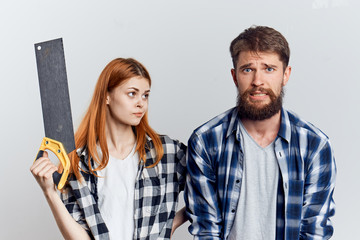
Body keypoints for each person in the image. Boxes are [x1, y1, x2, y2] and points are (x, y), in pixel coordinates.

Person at [184, 26, 336, 240]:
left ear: (286, 75)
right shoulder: (206, 141)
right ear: (234, 76)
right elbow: (206, 229)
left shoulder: (314, 145)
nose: (258, 81)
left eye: (269, 69)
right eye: (248, 69)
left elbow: (314, 232)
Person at [31, 58, 187, 240]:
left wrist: (171, 224)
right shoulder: (79, 162)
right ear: (106, 96)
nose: (141, 103)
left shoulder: (166, 152)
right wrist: (49, 192)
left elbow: (208, 188)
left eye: (145, 95)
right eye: (132, 94)